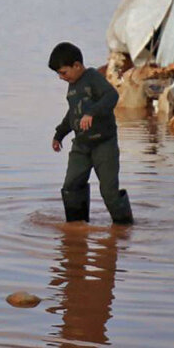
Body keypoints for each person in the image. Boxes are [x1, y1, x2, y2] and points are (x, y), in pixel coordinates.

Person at [49, 41, 133, 225]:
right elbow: (72, 114)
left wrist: (91, 113)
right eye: (58, 74)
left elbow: (112, 96)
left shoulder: (93, 77)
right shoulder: (72, 85)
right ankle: (77, 228)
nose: (61, 77)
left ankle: (124, 227)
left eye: (63, 72)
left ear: (77, 66)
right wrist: (59, 134)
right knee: (71, 186)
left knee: (109, 192)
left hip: (104, 143)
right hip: (81, 145)